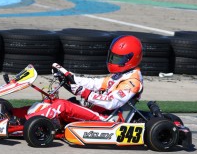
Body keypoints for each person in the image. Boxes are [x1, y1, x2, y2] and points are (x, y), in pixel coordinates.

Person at [12, 35, 144, 124]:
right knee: (52, 101)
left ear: (132, 58)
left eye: (118, 59)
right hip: (96, 110)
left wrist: (84, 92)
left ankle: (25, 122)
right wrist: (71, 77)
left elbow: (112, 103)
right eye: (113, 57)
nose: (113, 61)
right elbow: (95, 83)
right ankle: (13, 114)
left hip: (108, 119)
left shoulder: (133, 81)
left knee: (62, 106)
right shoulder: (120, 74)